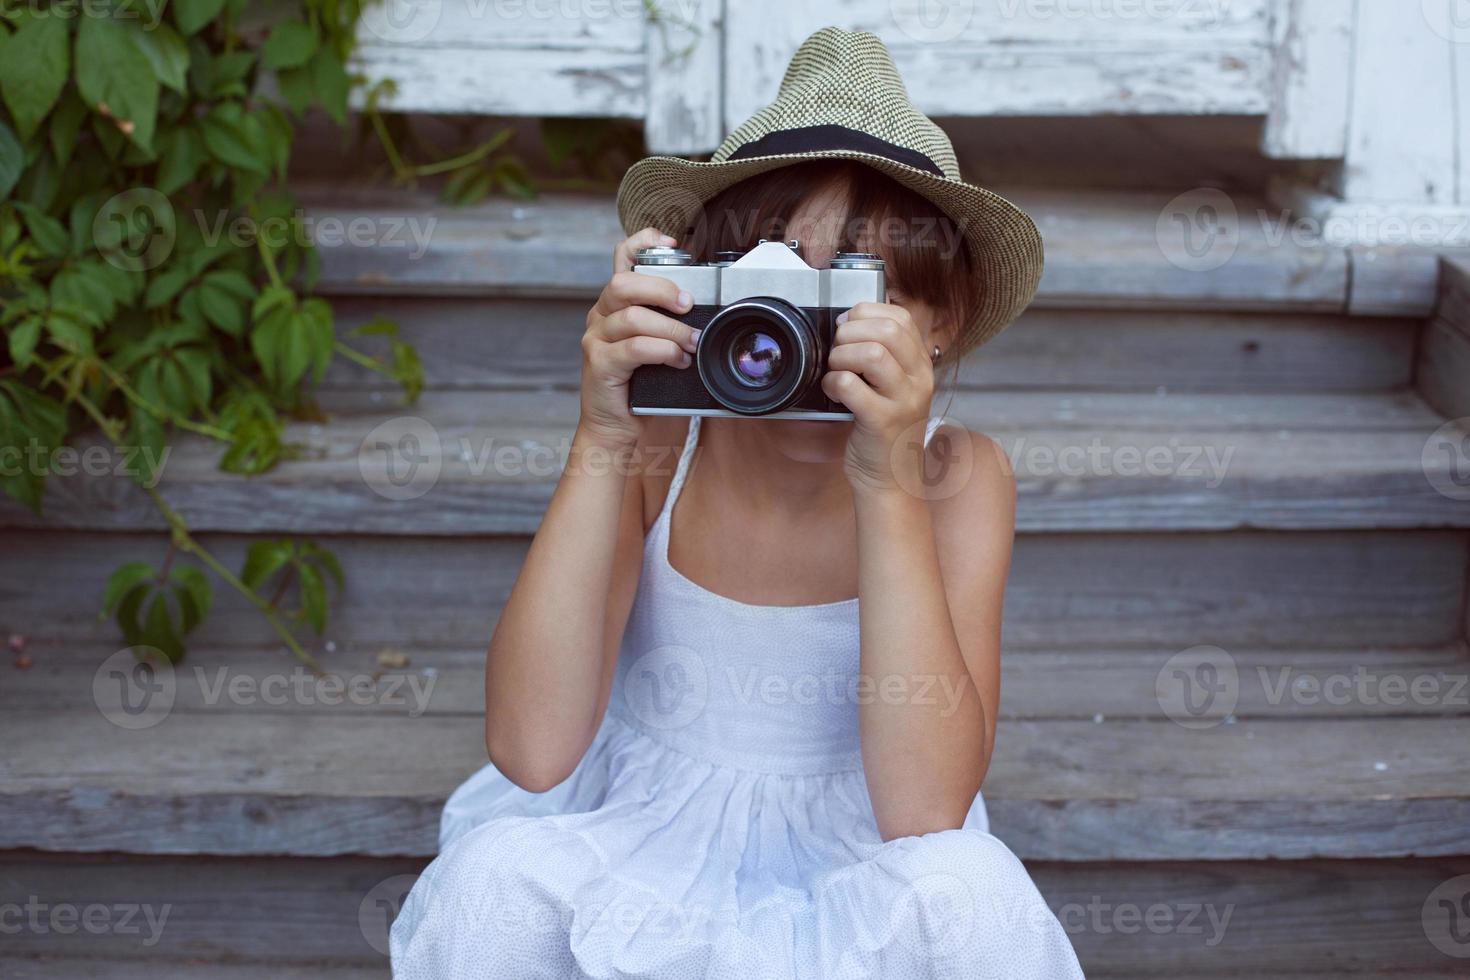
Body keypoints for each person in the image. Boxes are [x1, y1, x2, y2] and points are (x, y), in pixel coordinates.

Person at [391, 27, 1084, 978]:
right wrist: (602, 433)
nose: (794, 345)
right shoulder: (661, 441)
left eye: (850, 293)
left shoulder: (955, 479)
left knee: (973, 897)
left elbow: (924, 813)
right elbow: (532, 748)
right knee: (495, 880)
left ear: (943, 325)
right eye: (774, 294)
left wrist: (884, 481)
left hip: (859, 859)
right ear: (708, 296)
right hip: (636, 837)